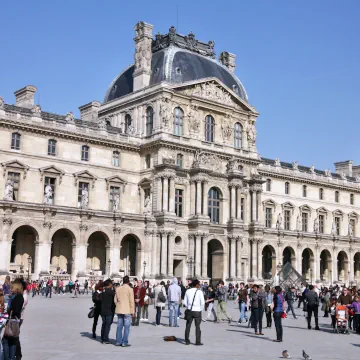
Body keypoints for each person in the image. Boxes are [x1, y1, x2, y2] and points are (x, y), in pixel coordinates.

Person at [2, 280, 24, 360]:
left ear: (16, 288)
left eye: (12, 287)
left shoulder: (18, 297)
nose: (10, 289)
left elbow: (16, 310)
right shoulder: (16, 296)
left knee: (6, 339)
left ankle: (9, 358)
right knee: (12, 340)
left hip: (13, 320)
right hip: (14, 320)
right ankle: (12, 357)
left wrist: (10, 309)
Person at [114, 275, 134, 347]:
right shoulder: (130, 289)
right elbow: (131, 301)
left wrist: (119, 305)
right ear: (128, 282)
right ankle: (124, 342)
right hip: (127, 310)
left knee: (119, 326)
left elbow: (115, 300)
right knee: (126, 327)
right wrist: (133, 311)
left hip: (119, 310)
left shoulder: (118, 289)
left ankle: (118, 341)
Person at [184, 279, 205, 345]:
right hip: (197, 311)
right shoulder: (199, 292)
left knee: (188, 325)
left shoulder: (188, 291)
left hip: (190, 310)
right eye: (199, 284)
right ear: (196, 285)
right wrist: (200, 309)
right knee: (197, 326)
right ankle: (197, 341)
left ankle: (187, 341)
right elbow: (202, 303)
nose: (199, 285)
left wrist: (188, 307)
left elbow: (184, 302)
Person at [100, 279, 115, 344]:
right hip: (109, 310)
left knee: (104, 324)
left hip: (102, 310)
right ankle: (105, 339)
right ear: (109, 284)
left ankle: (102, 337)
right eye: (111, 284)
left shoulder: (102, 291)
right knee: (107, 325)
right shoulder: (111, 292)